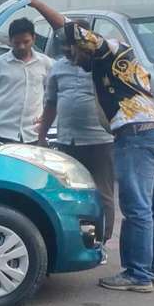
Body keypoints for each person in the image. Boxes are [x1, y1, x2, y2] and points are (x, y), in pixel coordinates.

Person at [16, 0, 154, 293]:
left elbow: (68, 28)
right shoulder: (130, 61)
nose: (73, 58)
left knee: (137, 207)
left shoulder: (107, 49)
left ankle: (138, 275)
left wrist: (37, 4)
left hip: (136, 137)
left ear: (86, 45)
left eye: (74, 51)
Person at [37, 20, 116, 259]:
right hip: (67, 142)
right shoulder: (57, 68)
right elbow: (50, 103)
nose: (67, 50)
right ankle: (75, 244)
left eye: (72, 45)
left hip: (100, 141)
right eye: (64, 45)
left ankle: (102, 242)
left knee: (103, 194)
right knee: (69, 195)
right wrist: (41, 136)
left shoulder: (103, 65)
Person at [0, 17, 53, 144]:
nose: (22, 46)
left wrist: (45, 118)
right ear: (10, 41)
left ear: (34, 38)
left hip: (33, 134)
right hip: (3, 133)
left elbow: (52, 94)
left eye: (26, 41)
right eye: (17, 43)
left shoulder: (45, 63)